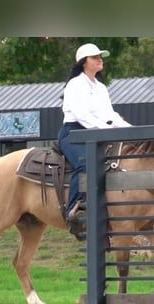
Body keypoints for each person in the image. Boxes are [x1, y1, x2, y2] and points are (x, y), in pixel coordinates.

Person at [58, 43, 131, 234]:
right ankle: (73, 210)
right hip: (73, 134)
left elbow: (111, 115)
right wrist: (105, 129)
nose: (100, 59)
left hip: (96, 133)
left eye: (101, 56)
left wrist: (131, 131)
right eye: (95, 57)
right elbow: (81, 115)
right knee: (86, 163)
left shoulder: (100, 87)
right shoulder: (75, 84)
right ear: (84, 62)